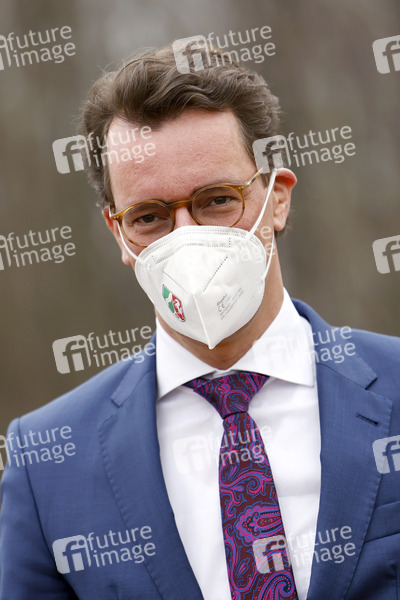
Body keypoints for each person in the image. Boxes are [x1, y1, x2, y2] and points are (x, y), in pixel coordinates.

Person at [0, 44, 399, 600]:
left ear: (277, 199)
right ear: (118, 233)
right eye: (149, 216)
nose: (187, 237)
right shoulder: (49, 463)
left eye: (216, 201)